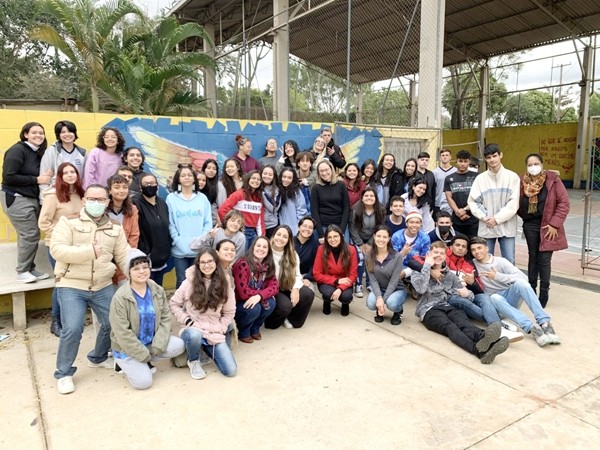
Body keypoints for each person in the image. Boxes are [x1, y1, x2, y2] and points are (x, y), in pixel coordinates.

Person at [50, 184, 130, 395]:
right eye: (92, 199)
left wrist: (138, 271)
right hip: (71, 284)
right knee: (73, 328)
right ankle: (64, 373)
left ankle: (98, 357)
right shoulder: (68, 222)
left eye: (101, 200)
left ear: (107, 202)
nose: (96, 203)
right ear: (84, 200)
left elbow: (123, 255)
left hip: (102, 284)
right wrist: (89, 252)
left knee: (112, 323)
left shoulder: (115, 227)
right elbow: (57, 250)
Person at [411, 241, 509, 364]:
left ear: (446, 256)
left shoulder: (449, 275)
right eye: (435, 252)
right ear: (429, 254)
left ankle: (485, 338)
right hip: (428, 310)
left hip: (447, 306)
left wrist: (467, 293)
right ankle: (478, 350)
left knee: (463, 322)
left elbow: (469, 294)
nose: (438, 255)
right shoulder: (418, 271)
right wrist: (427, 266)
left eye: (442, 253)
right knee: (450, 327)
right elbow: (420, 289)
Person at [109, 250, 185, 389]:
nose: (142, 271)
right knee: (144, 383)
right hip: (128, 348)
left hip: (151, 342)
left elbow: (165, 318)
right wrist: (142, 354)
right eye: (136, 268)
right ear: (129, 272)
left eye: (145, 267)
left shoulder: (157, 290)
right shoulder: (120, 297)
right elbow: (122, 332)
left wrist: (158, 344)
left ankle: (144, 361)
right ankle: (123, 362)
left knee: (179, 345)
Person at [470, 236, 560, 347]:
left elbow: (523, 277)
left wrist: (498, 276)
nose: (476, 252)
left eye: (479, 248)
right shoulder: (472, 264)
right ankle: (532, 329)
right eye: (473, 250)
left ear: (487, 248)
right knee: (494, 297)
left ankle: (544, 323)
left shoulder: (500, 261)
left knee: (521, 283)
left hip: (509, 297)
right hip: (495, 304)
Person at [170, 248, 237, 379]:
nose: (206, 265)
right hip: (194, 327)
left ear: (216, 262)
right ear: (198, 265)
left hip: (214, 330)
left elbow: (229, 312)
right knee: (194, 335)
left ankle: (205, 349)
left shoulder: (225, 282)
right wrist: (187, 320)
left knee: (231, 371)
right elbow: (174, 303)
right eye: (203, 262)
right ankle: (193, 360)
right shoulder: (189, 281)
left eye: (210, 261)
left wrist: (222, 327)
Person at [1, 122, 51, 283]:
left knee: (27, 235)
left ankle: (29, 268)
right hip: (16, 197)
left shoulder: (37, 152)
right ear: (25, 134)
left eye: (41, 133)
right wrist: (37, 179)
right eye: (34, 132)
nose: (38, 136)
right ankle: (22, 271)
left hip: (31, 198)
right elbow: (9, 176)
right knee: (30, 234)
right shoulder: (17, 150)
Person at [38, 162, 85, 336]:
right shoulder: (52, 195)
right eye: (66, 172)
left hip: (78, 246)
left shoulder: (81, 194)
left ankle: (71, 319)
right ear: (60, 176)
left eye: (73, 171)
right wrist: (60, 235)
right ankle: (55, 320)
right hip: (58, 246)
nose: (70, 175)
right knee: (61, 283)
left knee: (74, 283)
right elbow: (43, 222)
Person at [518, 153, 570, 307]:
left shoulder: (553, 180)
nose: (533, 167)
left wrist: (555, 224)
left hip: (548, 226)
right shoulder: (522, 182)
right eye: (529, 164)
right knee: (533, 257)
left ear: (542, 164)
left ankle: (544, 293)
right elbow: (516, 202)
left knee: (544, 260)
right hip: (530, 225)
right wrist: (525, 216)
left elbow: (564, 203)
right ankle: (531, 290)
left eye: (536, 163)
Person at [467, 143, 520, 265]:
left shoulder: (512, 177)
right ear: (485, 159)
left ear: (500, 155)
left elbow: (513, 203)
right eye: (489, 157)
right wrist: (485, 217)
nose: (492, 160)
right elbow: (473, 202)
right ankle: (487, 285)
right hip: (487, 226)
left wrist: (496, 219)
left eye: (494, 156)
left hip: (506, 227)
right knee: (484, 261)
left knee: (509, 261)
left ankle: (509, 284)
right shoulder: (480, 179)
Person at [166, 164, 212, 288]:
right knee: (182, 281)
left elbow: (208, 222)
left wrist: (200, 242)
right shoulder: (171, 198)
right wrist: (178, 241)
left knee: (199, 281)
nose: (186, 177)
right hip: (179, 250)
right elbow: (170, 223)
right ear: (178, 179)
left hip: (198, 249)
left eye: (189, 175)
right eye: (183, 175)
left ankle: (197, 307)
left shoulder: (202, 198)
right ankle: (180, 307)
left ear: (194, 179)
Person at [265, 225, 315, 329]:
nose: (280, 238)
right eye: (278, 234)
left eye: (285, 236)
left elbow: (297, 275)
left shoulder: (292, 254)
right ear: (273, 236)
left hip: (287, 285)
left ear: (288, 240)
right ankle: (273, 321)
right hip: (272, 289)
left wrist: (296, 289)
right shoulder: (266, 252)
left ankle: (291, 319)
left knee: (308, 293)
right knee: (285, 306)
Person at [232, 236, 278, 343]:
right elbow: (244, 293)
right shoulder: (242, 264)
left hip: (256, 298)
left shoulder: (268, 265)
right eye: (258, 245)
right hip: (240, 302)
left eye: (264, 247)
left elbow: (274, 287)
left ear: (268, 251)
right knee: (254, 308)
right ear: (253, 247)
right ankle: (244, 331)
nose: (261, 249)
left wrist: (259, 296)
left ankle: (255, 328)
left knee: (270, 303)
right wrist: (262, 295)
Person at [133, 174, 172, 286]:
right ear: (140, 187)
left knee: (157, 291)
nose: (149, 186)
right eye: (146, 184)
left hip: (162, 258)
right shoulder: (135, 203)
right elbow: (136, 231)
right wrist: (146, 252)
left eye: (152, 183)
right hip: (145, 260)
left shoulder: (162, 203)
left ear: (157, 185)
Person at [366, 225, 407, 325]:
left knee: (392, 303)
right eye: (379, 236)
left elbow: (394, 281)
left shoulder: (397, 256)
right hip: (380, 288)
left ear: (389, 239)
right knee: (370, 303)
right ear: (374, 236)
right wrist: (379, 298)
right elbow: (373, 280)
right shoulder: (368, 255)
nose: (381, 239)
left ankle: (398, 311)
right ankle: (379, 309)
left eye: (385, 237)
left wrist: (382, 301)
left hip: (397, 289)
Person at [313, 225, 358, 316]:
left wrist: (340, 288)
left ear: (341, 236)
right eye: (329, 237)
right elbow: (316, 274)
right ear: (326, 239)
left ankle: (345, 304)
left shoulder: (351, 249)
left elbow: (353, 275)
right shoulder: (321, 249)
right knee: (328, 293)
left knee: (346, 296)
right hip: (327, 280)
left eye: (335, 236)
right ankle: (327, 301)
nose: (332, 239)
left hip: (345, 281)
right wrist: (336, 281)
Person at [349, 187, 386, 297]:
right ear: (362, 198)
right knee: (359, 257)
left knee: (372, 257)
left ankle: (370, 284)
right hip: (358, 238)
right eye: (366, 196)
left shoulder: (381, 210)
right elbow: (353, 228)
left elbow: (380, 228)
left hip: (374, 238)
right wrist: (360, 244)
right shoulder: (355, 210)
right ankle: (358, 284)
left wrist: (370, 243)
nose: (369, 198)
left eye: (372, 196)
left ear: (375, 198)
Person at [39, 120, 86, 200]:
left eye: (70, 131)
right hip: (56, 195)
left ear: (74, 133)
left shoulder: (82, 153)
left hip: (76, 196)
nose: (67, 134)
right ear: (59, 135)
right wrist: (44, 200)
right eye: (63, 132)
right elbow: (44, 178)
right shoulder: (51, 151)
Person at [218, 170, 265, 250]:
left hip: (254, 234)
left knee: (251, 259)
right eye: (253, 178)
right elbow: (222, 210)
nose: (256, 181)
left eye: (258, 179)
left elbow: (260, 222)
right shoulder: (239, 194)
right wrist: (230, 227)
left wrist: (261, 237)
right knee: (240, 259)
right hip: (241, 232)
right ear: (248, 179)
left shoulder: (259, 198)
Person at [107, 173, 140, 286]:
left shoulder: (132, 209)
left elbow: (134, 236)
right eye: (117, 187)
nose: (121, 191)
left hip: (123, 259)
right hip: (104, 260)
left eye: (124, 187)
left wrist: (125, 256)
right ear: (109, 191)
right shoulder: (102, 210)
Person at [310, 159, 350, 239]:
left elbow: (346, 208)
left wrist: (341, 230)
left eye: (326, 170)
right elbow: (314, 212)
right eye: (321, 171)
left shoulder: (341, 185)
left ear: (331, 169)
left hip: (340, 226)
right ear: (318, 173)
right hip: (323, 227)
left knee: (344, 251)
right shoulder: (316, 188)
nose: (324, 173)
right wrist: (321, 234)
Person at [444, 150, 479, 237]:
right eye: (460, 161)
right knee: (458, 244)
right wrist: (458, 212)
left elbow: (479, 196)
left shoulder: (476, 177)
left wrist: (465, 210)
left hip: (473, 218)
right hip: (456, 219)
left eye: (465, 161)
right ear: (456, 161)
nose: (462, 164)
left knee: (473, 245)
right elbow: (449, 197)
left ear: (469, 162)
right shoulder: (449, 178)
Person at [278, 167, 308, 235]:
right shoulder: (278, 191)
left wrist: (299, 229)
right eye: (284, 177)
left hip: (294, 231)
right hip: (281, 229)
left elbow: (302, 212)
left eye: (289, 178)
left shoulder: (297, 192)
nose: (286, 180)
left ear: (293, 179)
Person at [294, 216, 319, 285]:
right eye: (304, 226)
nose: (307, 229)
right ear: (299, 227)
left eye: (310, 227)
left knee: (308, 293)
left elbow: (315, 265)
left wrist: (308, 277)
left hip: (305, 275)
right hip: (290, 275)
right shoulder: (290, 241)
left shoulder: (315, 243)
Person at [432, 148, 456, 215]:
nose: (445, 157)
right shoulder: (435, 172)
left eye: (447, 155)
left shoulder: (455, 171)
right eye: (443, 155)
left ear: (450, 157)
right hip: (438, 204)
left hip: (452, 204)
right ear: (440, 158)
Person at [260, 164, 280, 237]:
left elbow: (274, 208)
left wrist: (263, 194)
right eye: (265, 174)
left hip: (271, 225)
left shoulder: (277, 190)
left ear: (273, 176)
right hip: (257, 225)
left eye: (270, 174)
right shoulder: (255, 186)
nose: (267, 176)